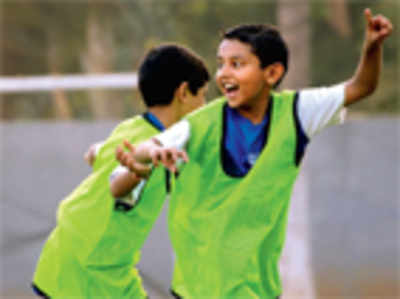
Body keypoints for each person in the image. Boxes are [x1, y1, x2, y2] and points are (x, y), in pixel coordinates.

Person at [113, 9, 393, 299]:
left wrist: (371, 48)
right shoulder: (197, 126)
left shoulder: (297, 112)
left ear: (272, 73)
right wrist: (147, 155)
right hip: (199, 292)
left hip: (260, 291)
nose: (224, 74)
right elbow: (144, 154)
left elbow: (361, 87)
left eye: (237, 64)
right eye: (221, 64)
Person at [32, 44, 209, 299]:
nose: (204, 106)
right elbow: (118, 184)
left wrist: (96, 153)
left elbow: (98, 153)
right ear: (183, 92)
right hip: (92, 271)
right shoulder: (158, 153)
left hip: (69, 253)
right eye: (202, 95)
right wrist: (137, 172)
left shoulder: (131, 127)